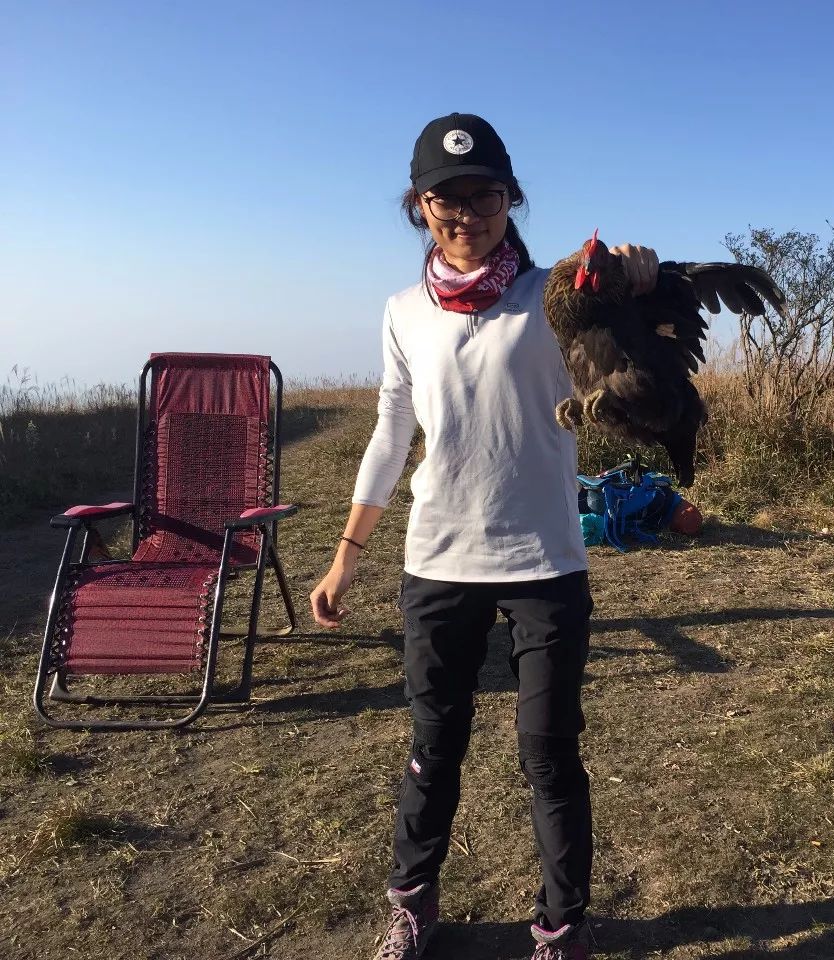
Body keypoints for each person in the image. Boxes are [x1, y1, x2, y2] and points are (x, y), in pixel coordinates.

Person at [308, 112, 660, 960]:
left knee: (549, 752)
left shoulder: (557, 303)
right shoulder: (401, 312)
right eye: (446, 198)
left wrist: (639, 286)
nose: (467, 213)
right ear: (419, 206)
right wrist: (345, 555)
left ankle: (563, 924)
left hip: (544, 560)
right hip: (438, 561)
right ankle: (413, 905)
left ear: (512, 198)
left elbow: (635, 352)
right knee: (435, 747)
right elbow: (393, 437)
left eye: (486, 194)